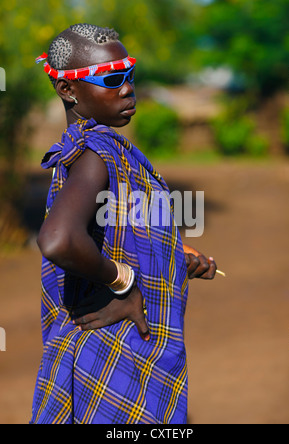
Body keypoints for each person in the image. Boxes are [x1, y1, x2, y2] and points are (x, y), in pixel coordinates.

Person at [30, 23, 217, 425]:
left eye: (129, 75)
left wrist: (174, 256)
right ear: (68, 90)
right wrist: (122, 281)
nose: (127, 88)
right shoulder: (94, 153)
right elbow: (58, 239)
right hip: (110, 353)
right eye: (112, 78)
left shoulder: (108, 152)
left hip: (124, 346)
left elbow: (115, 230)